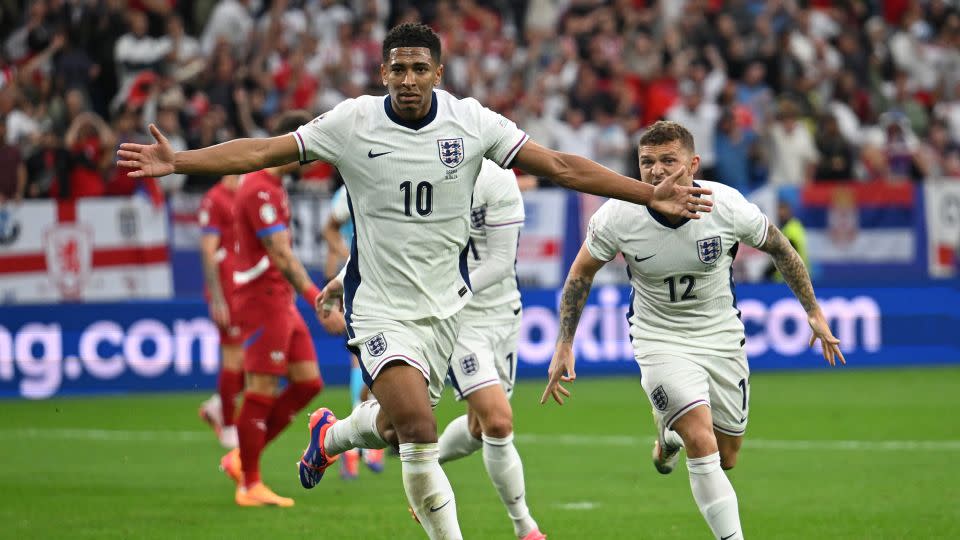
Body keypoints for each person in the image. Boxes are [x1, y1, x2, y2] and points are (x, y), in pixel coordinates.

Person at [117, 23, 712, 539]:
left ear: (438, 72)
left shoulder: (470, 121)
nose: (407, 79)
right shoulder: (352, 123)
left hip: (447, 311)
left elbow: (559, 166)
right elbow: (265, 151)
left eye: (419, 69)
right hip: (378, 307)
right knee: (422, 431)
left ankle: (332, 437)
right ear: (382, 72)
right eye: (397, 68)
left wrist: (647, 193)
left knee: (399, 436)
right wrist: (183, 162)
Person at [542, 121, 844, 540]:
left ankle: (668, 437)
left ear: (693, 164)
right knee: (701, 439)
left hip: (720, 336)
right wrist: (565, 342)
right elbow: (580, 274)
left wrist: (813, 312)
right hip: (658, 338)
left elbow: (779, 246)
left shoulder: (725, 205)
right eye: (647, 162)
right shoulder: (618, 214)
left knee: (727, 455)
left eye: (669, 160)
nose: (656, 170)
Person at [214, 111, 327, 508]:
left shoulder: (275, 186)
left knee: (308, 382)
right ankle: (250, 482)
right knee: (261, 387)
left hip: (279, 300)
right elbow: (279, 252)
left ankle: (242, 459)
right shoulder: (260, 188)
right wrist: (316, 295)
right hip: (261, 300)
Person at [435, 159, 542, 540]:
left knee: (480, 428)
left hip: (503, 314)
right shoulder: (424, 173)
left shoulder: (498, 182)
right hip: (458, 320)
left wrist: (454, 289)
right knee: (499, 421)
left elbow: (500, 262)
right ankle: (525, 526)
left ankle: (425, 462)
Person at [321, 184, 386, 479]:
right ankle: (358, 445)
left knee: (376, 359)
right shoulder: (348, 191)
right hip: (360, 282)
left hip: (389, 279)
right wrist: (346, 259)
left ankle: (362, 438)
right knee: (363, 359)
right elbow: (330, 230)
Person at [196, 174, 244, 450]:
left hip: (246, 288)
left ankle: (218, 405)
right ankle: (227, 424)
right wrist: (218, 299)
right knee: (233, 357)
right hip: (227, 290)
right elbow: (207, 250)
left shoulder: (246, 193)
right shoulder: (215, 200)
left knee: (253, 358)